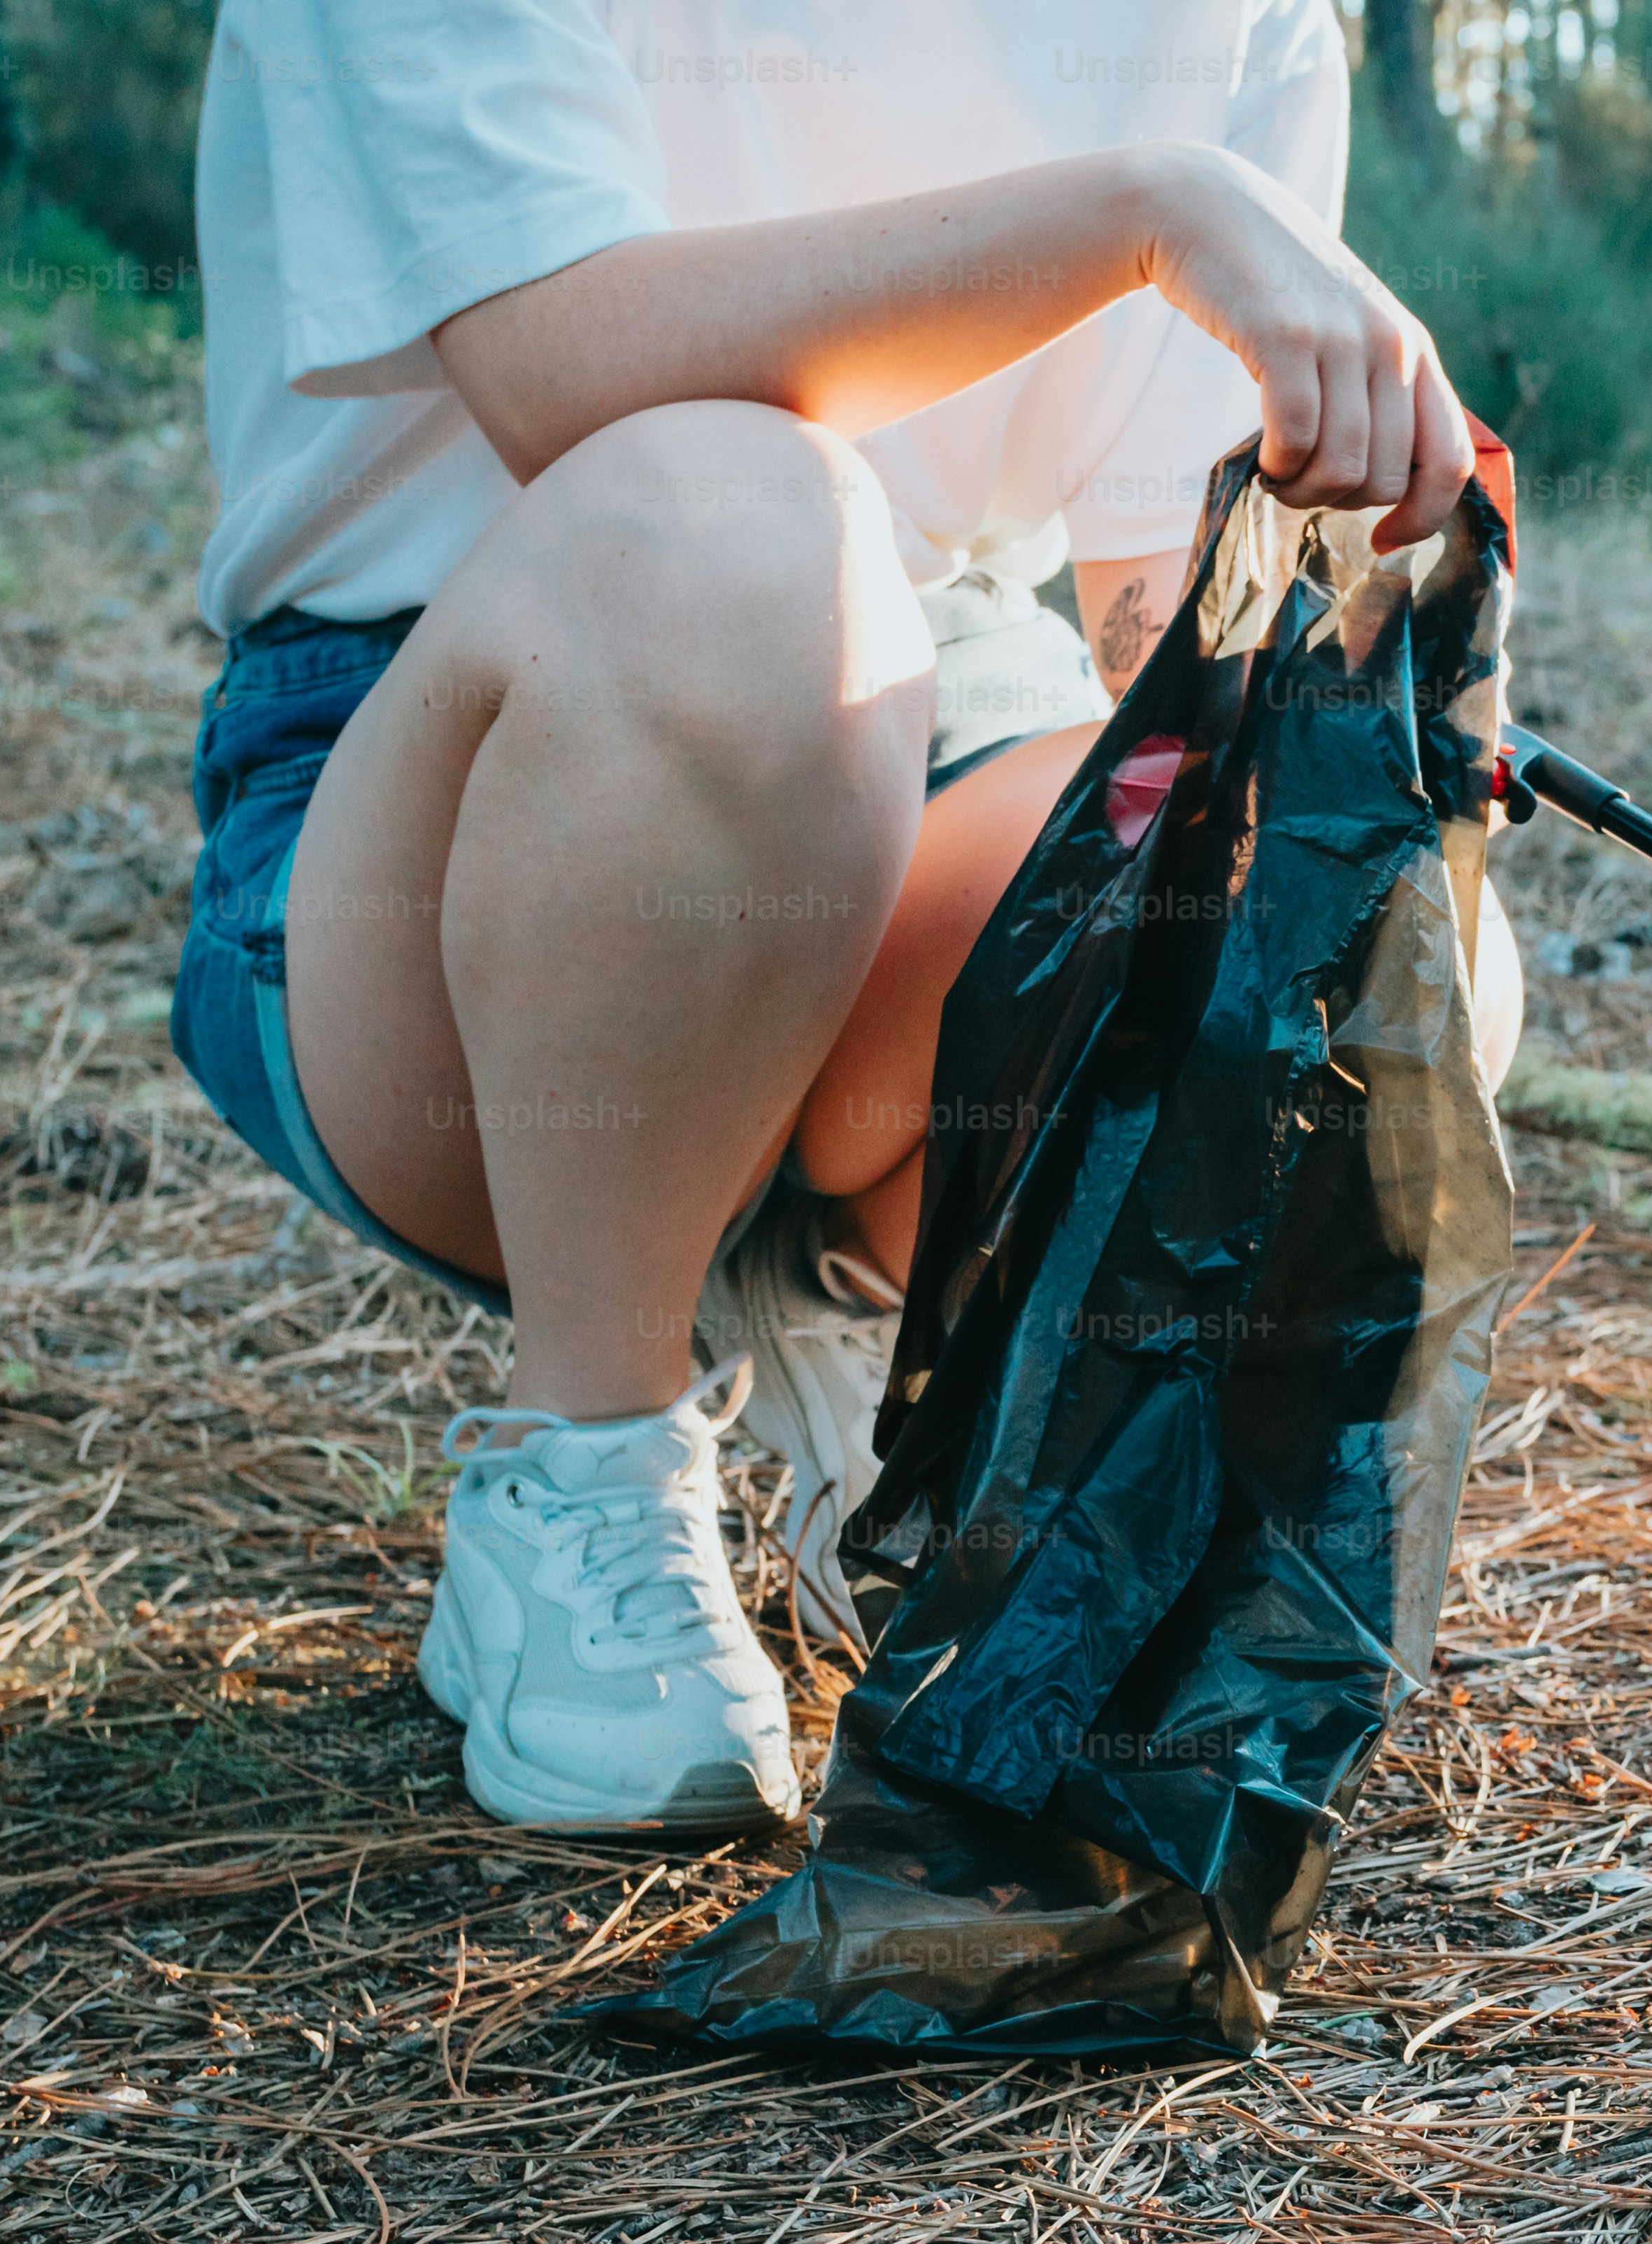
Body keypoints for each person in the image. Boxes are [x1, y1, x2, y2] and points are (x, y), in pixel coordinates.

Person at [178, 1, 1517, 1834]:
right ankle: (588, 1462)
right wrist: (1149, 207)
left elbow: (1152, 621)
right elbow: (575, 366)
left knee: (1328, 898)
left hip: (933, 708)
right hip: (438, 763)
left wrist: (1324, 754)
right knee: (723, 520)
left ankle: (889, 1354)